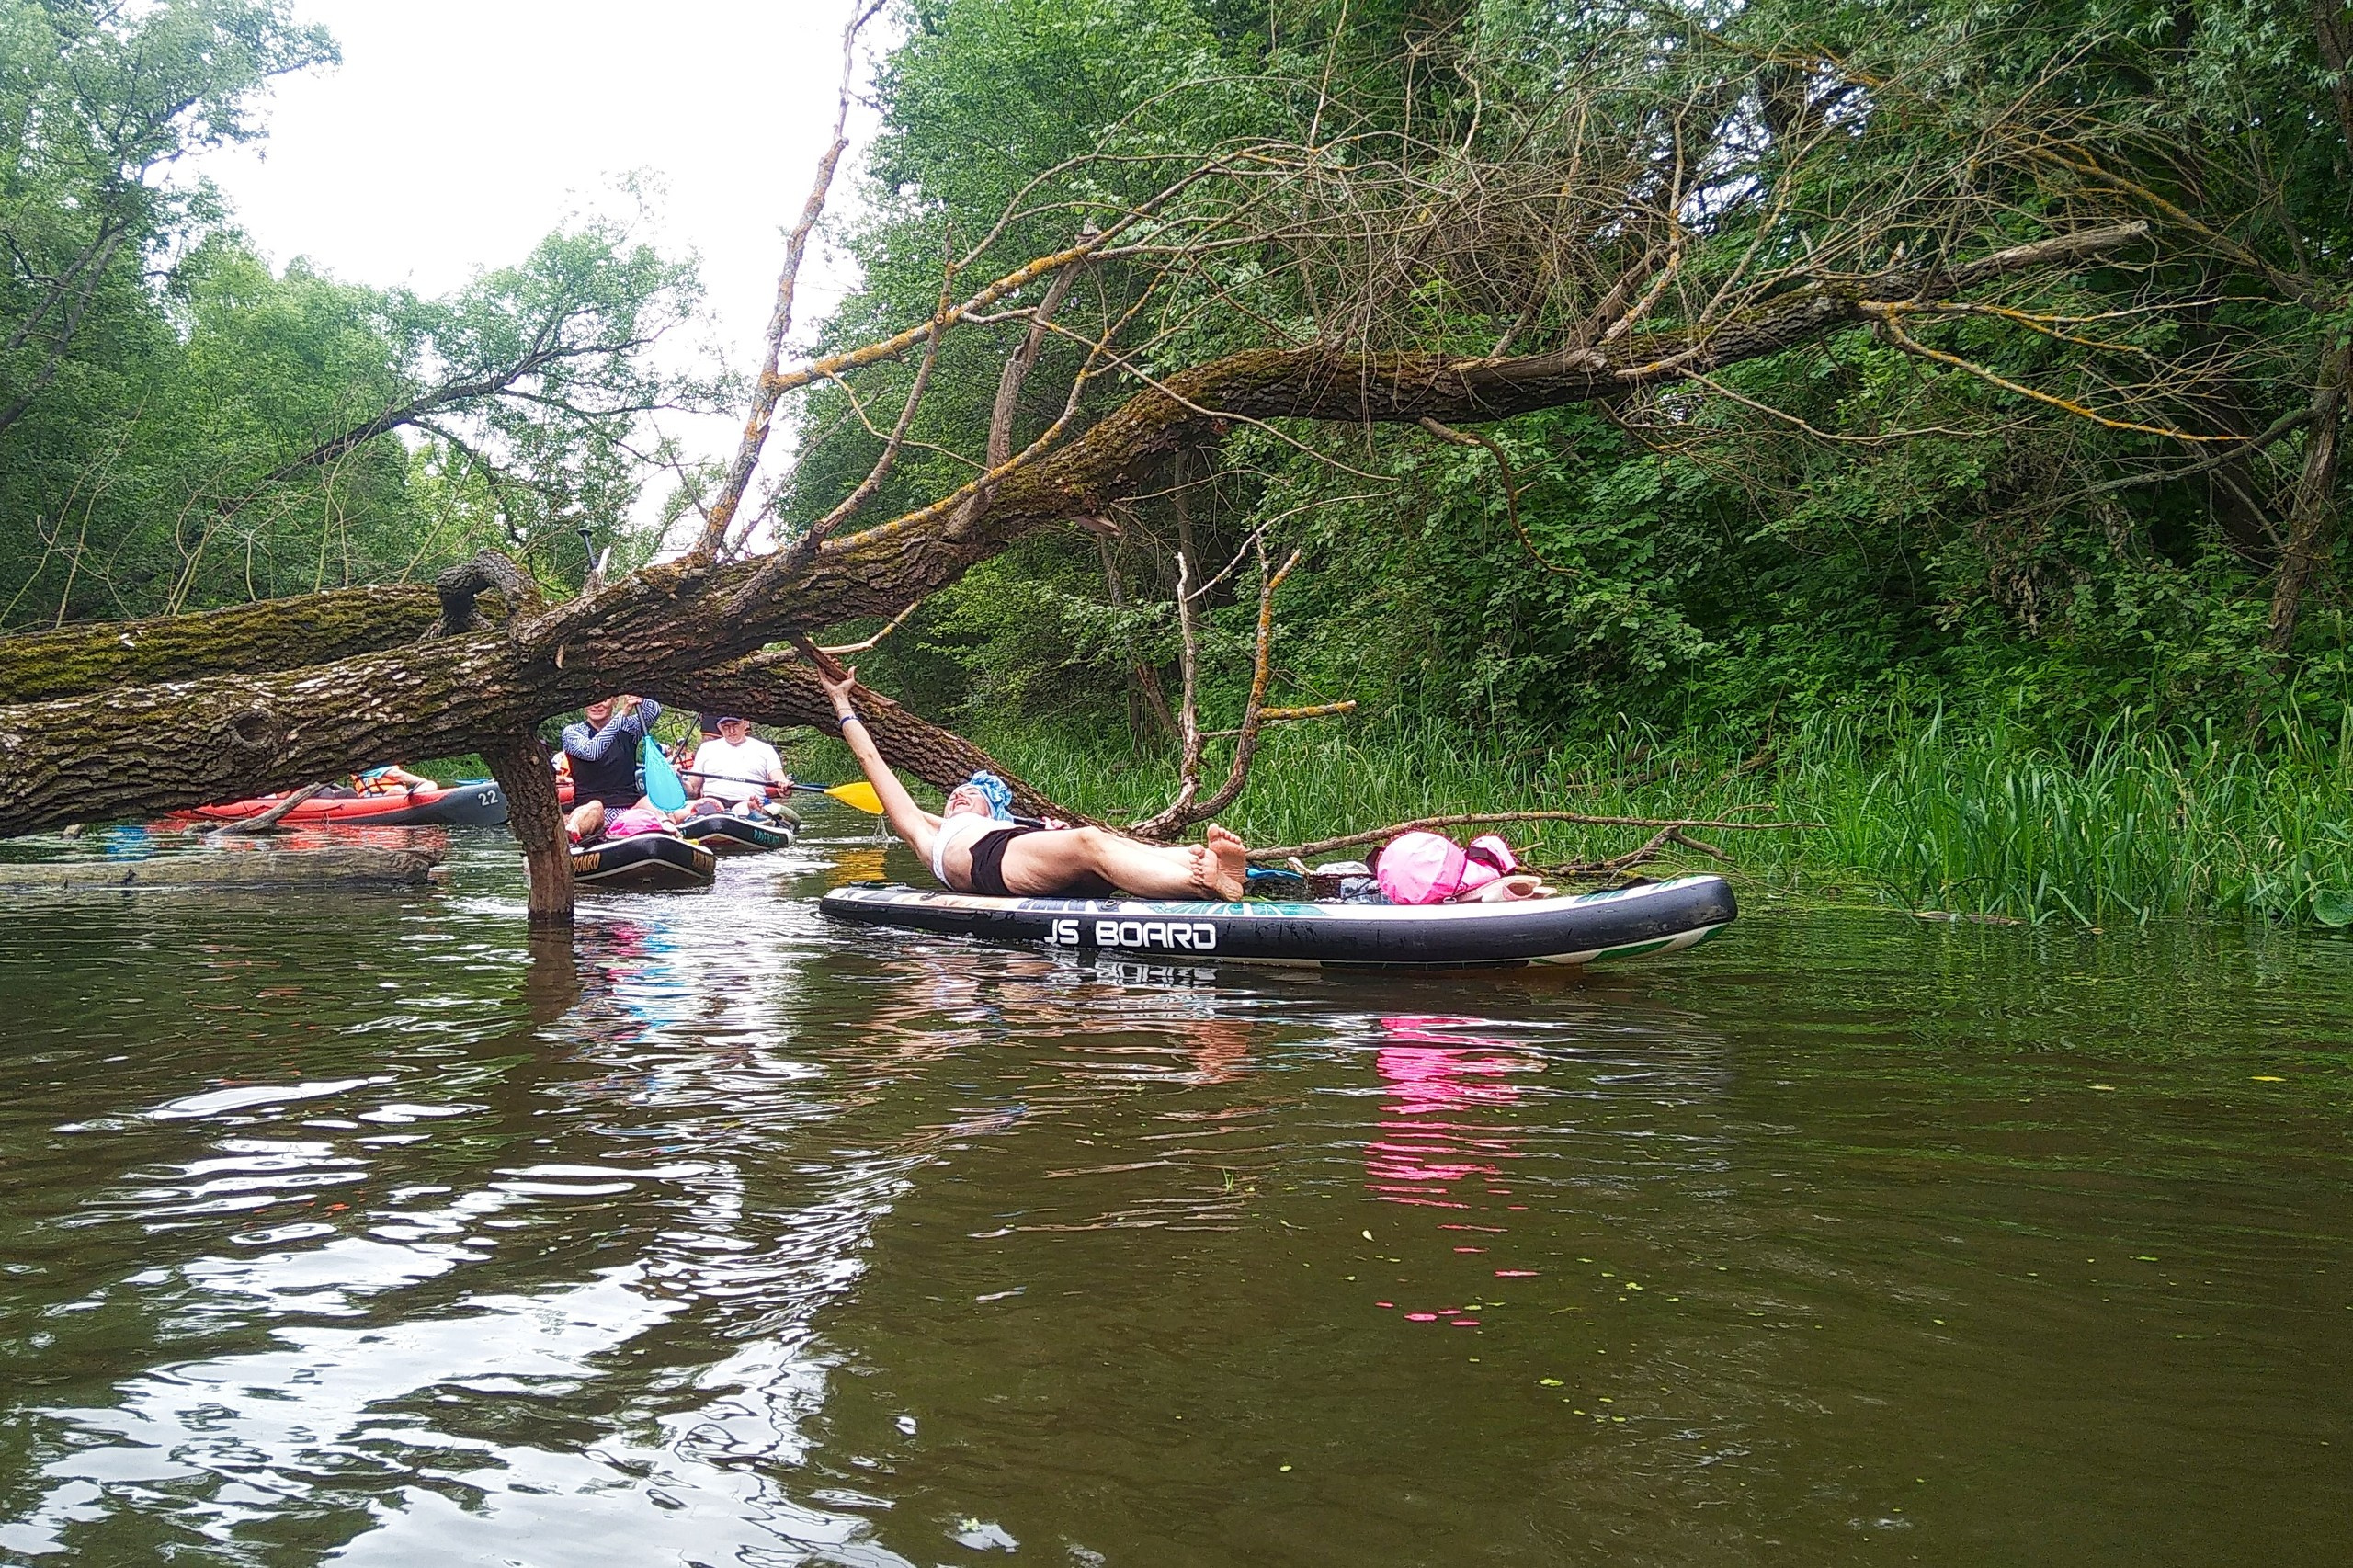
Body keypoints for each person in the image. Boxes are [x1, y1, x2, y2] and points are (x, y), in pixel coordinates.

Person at [818, 663, 1250, 900]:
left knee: (1097, 840)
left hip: (1021, 856)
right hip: (991, 865)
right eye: (955, 796)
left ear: (995, 810)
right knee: (1088, 841)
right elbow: (871, 759)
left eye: (972, 794)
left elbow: (1024, 834)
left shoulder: (1008, 826)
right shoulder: (924, 830)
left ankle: (1197, 863)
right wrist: (841, 702)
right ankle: (1197, 880)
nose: (960, 795)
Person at [562, 694, 662, 844]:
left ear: (614, 701)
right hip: (589, 811)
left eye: (603, 699)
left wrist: (638, 695)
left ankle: (671, 831)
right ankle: (573, 832)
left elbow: (653, 711)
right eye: (591, 700)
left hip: (627, 810)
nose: (596, 705)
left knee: (648, 801)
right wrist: (623, 713)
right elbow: (592, 752)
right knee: (596, 806)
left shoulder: (630, 729)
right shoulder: (572, 732)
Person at [688, 716, 791, 812]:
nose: (731, 731)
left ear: (746, 723)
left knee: (744, 809)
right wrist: (677, 777)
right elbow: (693, 789)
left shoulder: (765, 749)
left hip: (750, 801)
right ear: (719, 727)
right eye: (726, 726)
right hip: (713, 801)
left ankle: (751, 810)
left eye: (735, 725)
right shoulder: (706, 748)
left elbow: (778, 777)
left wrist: (783, 785)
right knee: (709, 806)